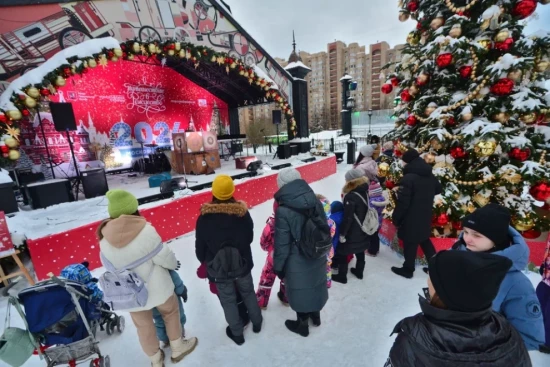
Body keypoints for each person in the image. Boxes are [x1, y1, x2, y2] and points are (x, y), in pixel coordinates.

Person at [97, 190, 197, 366]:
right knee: (170, 313)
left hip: (132, 295)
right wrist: (174, 265)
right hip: (159, 288)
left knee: (143, 327)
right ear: (133, 208)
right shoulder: (146, 230)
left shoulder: (104, 240)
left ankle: (155, 359)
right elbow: (164, 257)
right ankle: (177, 348)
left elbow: (110, 267)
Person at [385, 250, 531, 367]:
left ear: (445, 292)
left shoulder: (415, 339)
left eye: (432, 277)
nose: (427, 280)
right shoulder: (508, 334)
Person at [452, 203, 545, 351]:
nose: (467, 239)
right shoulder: (456, 259)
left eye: (477, 235)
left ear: (497, 239)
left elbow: (529, 337)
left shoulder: (516, 282)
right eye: (466, 231)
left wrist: (487, 351)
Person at [195, 175, 262, 346]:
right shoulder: (242, 214)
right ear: (232, 191)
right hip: (243, 264)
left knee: (228, 301)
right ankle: (257, 322)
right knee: (248, 293)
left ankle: (237, 334)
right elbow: (249, 238)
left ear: (214, 193)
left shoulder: (204, 218)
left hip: (219, 269)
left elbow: (200, 250)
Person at [273, 168, 329, 337]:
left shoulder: (283, 210)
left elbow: (282, 244)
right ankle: (316, 316)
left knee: (300, 289)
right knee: (315, 284)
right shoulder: (314, 199)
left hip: (297, 258)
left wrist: (278, 267)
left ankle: (302, 324)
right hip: (317, 252)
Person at [391, 149, 441, 278]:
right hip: (425, 213)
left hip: (411, 216)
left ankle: (408, 269)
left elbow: (403, 203)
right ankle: (435, 267)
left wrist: (396, 218)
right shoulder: (429, 174)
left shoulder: (409, 178)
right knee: (424, 239)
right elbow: (438, 188)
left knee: (410, 241)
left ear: (408, 161)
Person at [332, 169, 371, 283]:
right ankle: (359, 271)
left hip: (353, 229)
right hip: (363, 226)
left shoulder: (351, 196)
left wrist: (343, 234)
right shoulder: (364, 190)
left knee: (343, 251)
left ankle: (342, 276)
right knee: (360, 249)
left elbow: (348, 217)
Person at [256, 201, 288, 309]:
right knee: (287, 278)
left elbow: (263, 243)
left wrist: (269, 248)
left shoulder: (271, 225)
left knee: (267, 278)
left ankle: (261, 302)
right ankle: (286, 298)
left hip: (273, 258)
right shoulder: (294, 223)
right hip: (288, 258)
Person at [153, 270, 187, 348]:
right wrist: (181, 290)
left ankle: (164, 338)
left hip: (152, 302)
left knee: (159, 321)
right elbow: (174, 278)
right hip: (168, 295)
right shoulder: (164, 266)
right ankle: (178, 336)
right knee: (176, 316)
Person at [317, 194, 336, 288]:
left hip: (319, 249)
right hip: (329, 248)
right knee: (327, 267)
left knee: (318, 267)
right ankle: (328, 283)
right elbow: (332, 234)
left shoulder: (314, 223)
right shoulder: (331, 222)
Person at [366, 181, 389, 257]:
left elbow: (369, 212)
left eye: (369, 191)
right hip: (379, 221)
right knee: (375, 236)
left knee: (372, 236)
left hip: (373, 222)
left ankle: (372, 251)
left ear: (373, 193)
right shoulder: (381, 199)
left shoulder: (372, 202)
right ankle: (376, 249)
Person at [537, 232, 550, 353]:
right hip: (547, 278)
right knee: (539, 303)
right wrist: (543, 264)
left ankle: (548, 343)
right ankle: (540, 335)